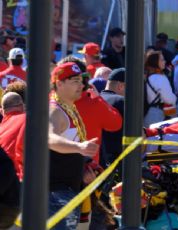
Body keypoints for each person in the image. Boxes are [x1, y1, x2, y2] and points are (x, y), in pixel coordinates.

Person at [48, 62, 99, 230]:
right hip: (56, 194)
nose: (81, 85)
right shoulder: (55, 110)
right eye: (75, 81)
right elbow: (49, 138)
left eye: (81, 81)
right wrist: (80, 148)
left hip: (67, 191)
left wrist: (84, 163)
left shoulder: (69, 108)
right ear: (59, 83)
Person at [100, 68, 125, 170]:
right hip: (118, 162)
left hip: (98, 161)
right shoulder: (121, 101)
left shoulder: (95, 99)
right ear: (120, 86)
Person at [145, 51, 177, 126]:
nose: (165, 62)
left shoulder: (149, 76)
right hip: (159, 115)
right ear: (155, 62)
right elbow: (169, 99)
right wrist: (175, 97)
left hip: (150, 113)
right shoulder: (159, 77)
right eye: (162, 60)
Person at [0, 92, 25, 182]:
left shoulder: (1, 128)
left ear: (2, 111)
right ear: (22, 106)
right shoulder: (28, 120)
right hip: (20, 181)